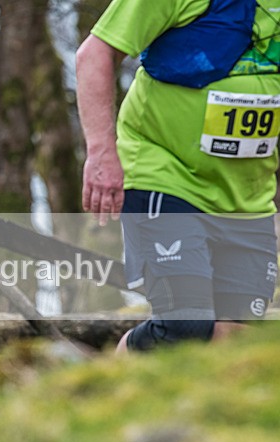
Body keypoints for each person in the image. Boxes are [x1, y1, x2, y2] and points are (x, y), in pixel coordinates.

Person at [77, 0, 280, 352]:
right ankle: (115, 381)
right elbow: (94, 54)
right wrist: (101, 152)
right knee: (183, 327)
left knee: (235, 339)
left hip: (249, 197)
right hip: (165, 175)